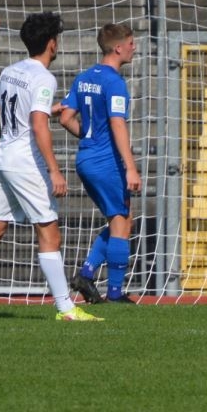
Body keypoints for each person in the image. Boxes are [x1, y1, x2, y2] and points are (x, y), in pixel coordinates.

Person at [0, 12, 100, 321]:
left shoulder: (10, 71)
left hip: (3, 157)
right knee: (49, 232)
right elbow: (38, 124)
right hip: (25, 163)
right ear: (52, 44)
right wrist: (54, 170)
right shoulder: (44, 78)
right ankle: (66, 308)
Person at [60, 24, 143, 305]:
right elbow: (118, 124)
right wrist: (130, 167)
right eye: (131, 43)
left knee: (122, 219)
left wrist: (88, 137)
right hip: (106, 161)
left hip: (85, 158)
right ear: (118, 48)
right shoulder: (115, 82)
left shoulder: (84, 77)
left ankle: (87, 273)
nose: (134, 48)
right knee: (121, 221)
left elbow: (65, 118)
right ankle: (115, 293)